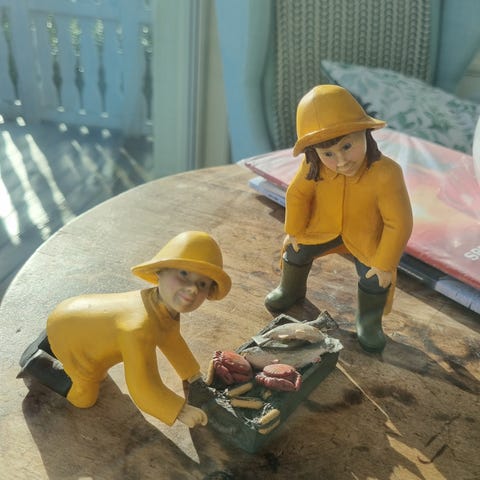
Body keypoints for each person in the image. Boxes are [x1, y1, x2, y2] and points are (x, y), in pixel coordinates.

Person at [17, 231, 231, 427]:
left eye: (202, 284)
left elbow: (170, 339)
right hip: (70, 332)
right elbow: (142, 384)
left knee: (99, 372)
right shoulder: (138, 327)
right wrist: (179, 410)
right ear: (160, 271)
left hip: (76, 317)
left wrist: (191, 375)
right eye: (183, 273)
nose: (192, 289)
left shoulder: (162, 308)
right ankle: (37, 361)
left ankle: (51, 338)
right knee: (84, 397)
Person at [265, 85, 413, 353]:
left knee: (375, 278)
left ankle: (368, 322)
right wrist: (294, 231)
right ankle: (291, 290)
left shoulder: (387, 173)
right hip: (322, 230)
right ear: (315, 153)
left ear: (365, 133)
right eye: (328, 154)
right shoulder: (312, 166)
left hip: (367, 239)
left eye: (347, 146)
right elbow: (297, 195)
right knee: (295, 251)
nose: (342, 160)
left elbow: (399, 223)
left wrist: (384, 263)